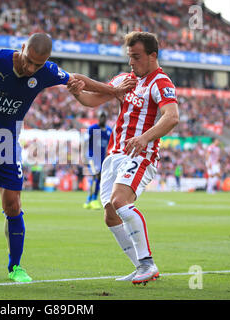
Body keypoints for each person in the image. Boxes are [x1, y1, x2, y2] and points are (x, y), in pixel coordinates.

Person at [0, 33, 136, 284]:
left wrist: (113, 90)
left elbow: (78, 80)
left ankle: (15, 267)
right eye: (28, 61)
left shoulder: (46, 72)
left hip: (5, 140)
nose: (31, 68)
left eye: (38, 65)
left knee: (13, 205)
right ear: (22, 48)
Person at [68, 31, 179, 285]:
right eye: (130, 57)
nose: (131, 63)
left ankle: (148, 264)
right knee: (110, 214)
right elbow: (91, 101)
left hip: (141, 154)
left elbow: (171, 117)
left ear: (153, 56)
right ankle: (141, 266)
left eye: (136, 57)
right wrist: (76, 93)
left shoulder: (161, 82)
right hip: (114, 155)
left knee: (120, 201)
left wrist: (144, 139)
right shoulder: (124, 79)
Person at [83, 110, 112, 210]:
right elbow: (85, 142)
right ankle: (94, 200)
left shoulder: (109, 131)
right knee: (96, 175)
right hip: (91, 156)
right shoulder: (92, 128)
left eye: (104, 117)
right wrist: (84, 156)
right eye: (101, 117)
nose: (103, 119)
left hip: (101, 158)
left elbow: (109, 146)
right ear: (98, 118)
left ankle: (89, 200)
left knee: (98, 178)